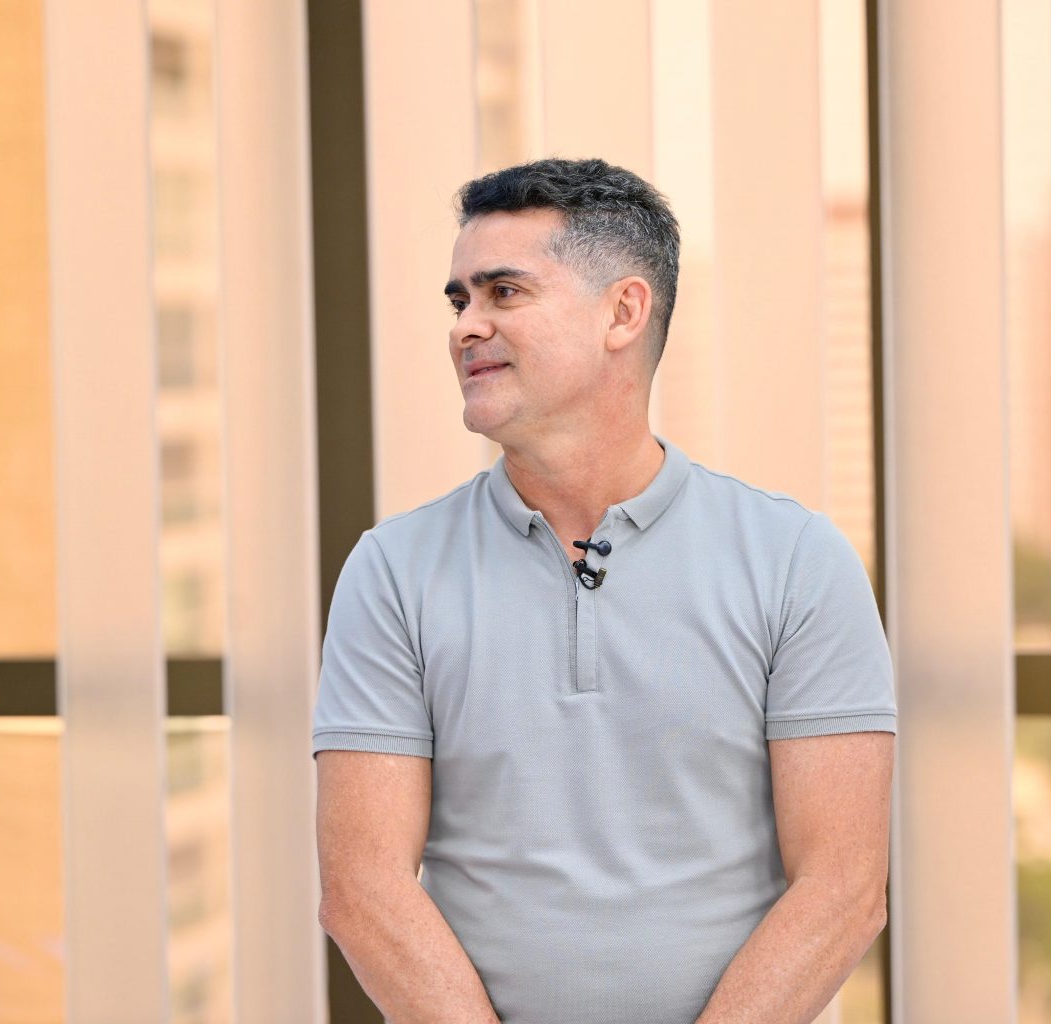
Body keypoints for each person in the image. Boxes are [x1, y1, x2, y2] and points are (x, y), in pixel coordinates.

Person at [311, 157, 896, 1024]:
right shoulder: (392, 570)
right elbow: (363, 891)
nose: (466, 326)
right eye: (459, 300)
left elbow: (843, 889)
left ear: (624, 312)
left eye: (504, 292)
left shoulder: (798, 561)